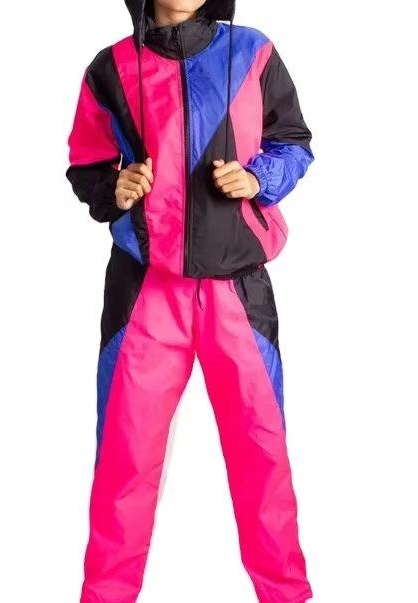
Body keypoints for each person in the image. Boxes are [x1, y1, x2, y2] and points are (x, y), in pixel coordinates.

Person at [66, 0, 314, 601]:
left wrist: (258, 179)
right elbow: (86, 163)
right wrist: (115, 187)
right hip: (144, 293)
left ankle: (285, 594)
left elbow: (293, 141)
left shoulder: (252, 52)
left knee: (261, 455)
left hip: (238, 291)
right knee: (124, 460)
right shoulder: (111, 68)